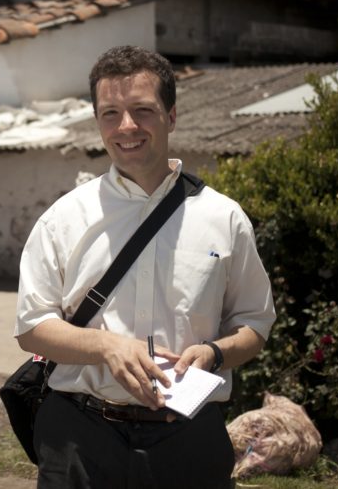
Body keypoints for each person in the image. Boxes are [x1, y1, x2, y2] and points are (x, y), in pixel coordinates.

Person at [14, 45, 275, 488]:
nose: (126, 127)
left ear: (171, 117)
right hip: (80, 436)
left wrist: (214, 354)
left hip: (189, 435)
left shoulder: (223, 218)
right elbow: (32, 327)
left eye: (142, 110)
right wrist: (107, 348)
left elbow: (255, 323)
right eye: (110, 113)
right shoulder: (62, 217)